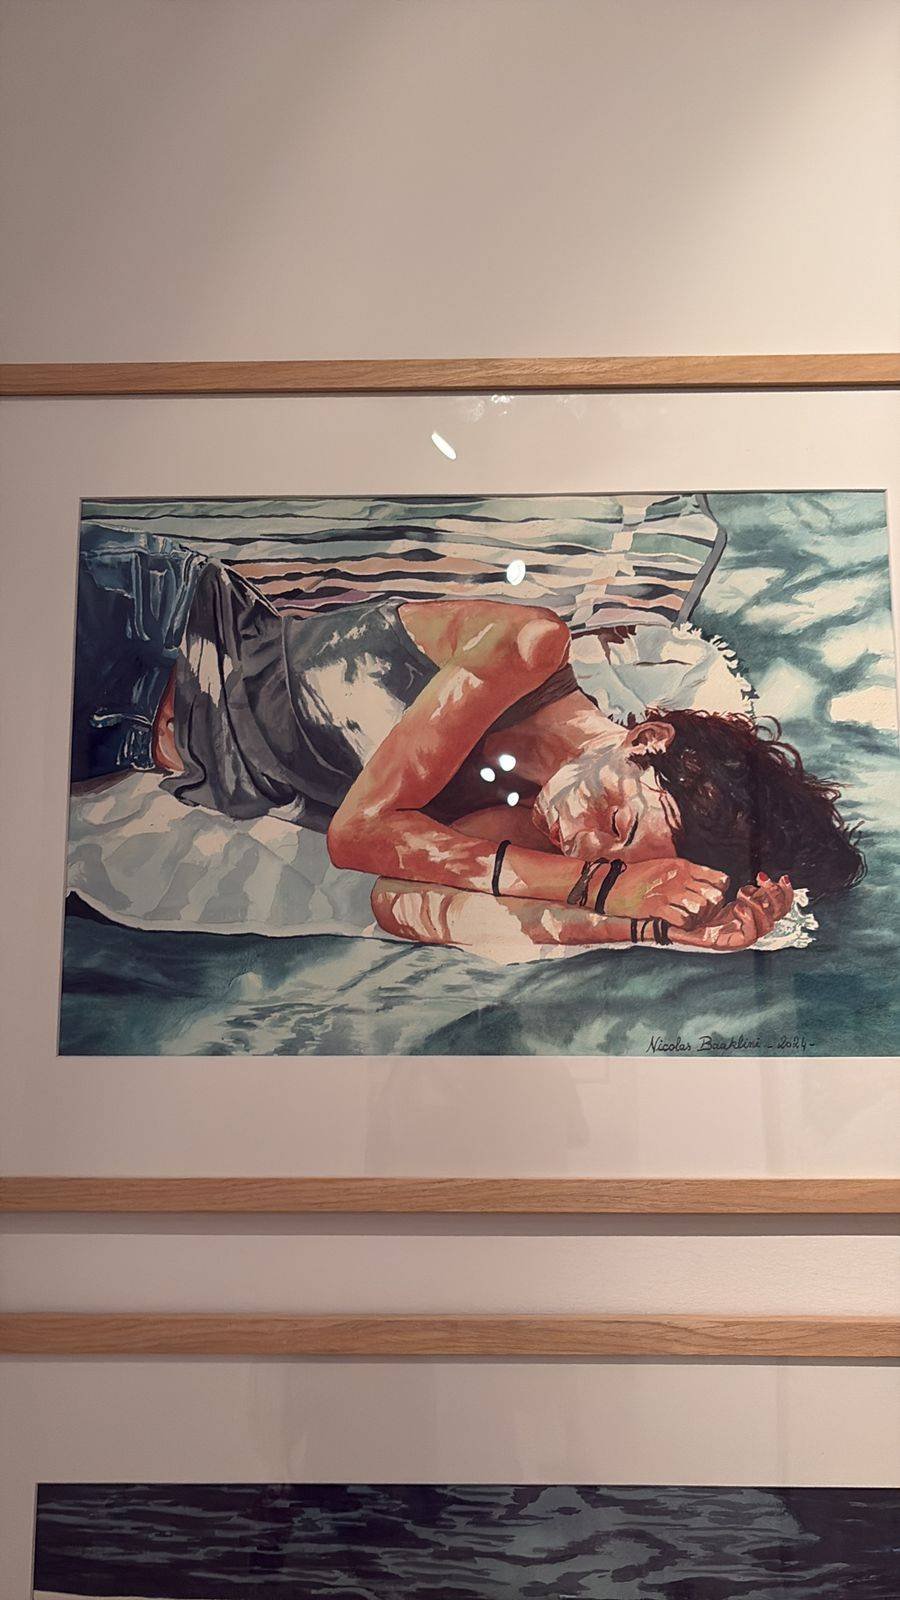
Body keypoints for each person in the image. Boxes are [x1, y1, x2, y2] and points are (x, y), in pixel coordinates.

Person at [72, 527, 865, 954]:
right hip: (137, 625)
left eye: (613, 858)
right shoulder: (528, 650)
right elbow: (358, 836)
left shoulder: (533, 827)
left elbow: (400, 904)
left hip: (122, 742)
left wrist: (655, 925)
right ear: (646, 737)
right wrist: (600, 886)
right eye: (618, 821)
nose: (585, 842)